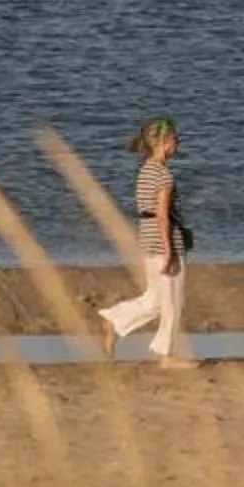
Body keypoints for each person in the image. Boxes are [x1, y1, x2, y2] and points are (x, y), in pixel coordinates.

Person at [97, 117, 197, 368]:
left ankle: (113, 319)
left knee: (155, 299)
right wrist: (169, 251)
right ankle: (167, 356)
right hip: (164, 241)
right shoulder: (163, 175)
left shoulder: (145, 171)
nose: (179, 144)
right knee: (173, 301)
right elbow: (162, 216)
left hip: (147, 239)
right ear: (163, 143)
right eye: (176, 139)